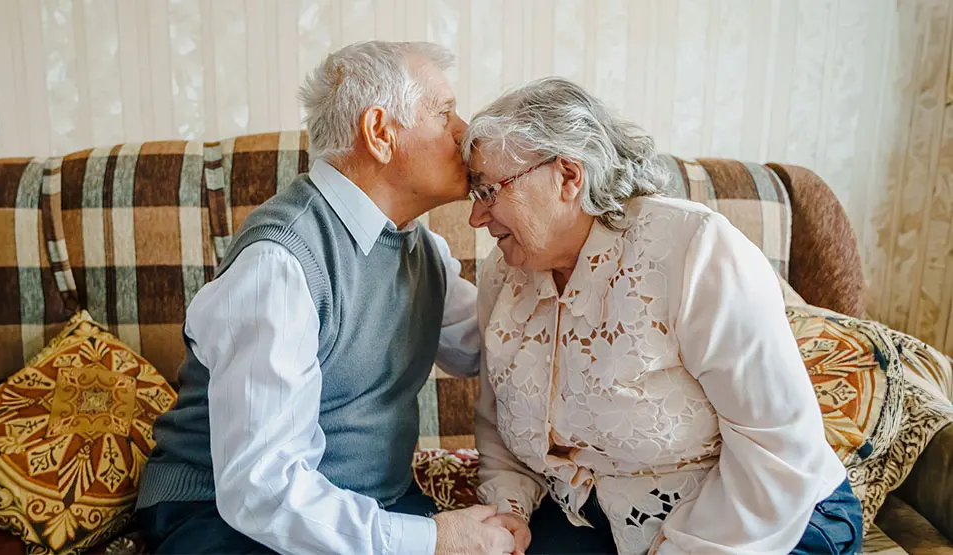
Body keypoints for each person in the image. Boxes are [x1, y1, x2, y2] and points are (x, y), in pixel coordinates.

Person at [134, 41, 516, 555]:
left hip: (360, 506)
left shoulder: (420, 251)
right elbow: (260, 490)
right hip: (221, 515)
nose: (464, 132)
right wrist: (435, 539)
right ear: (380, 133)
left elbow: (492, 344)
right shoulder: (281, 264)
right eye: (444, 112)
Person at [464, 77, 862, 555]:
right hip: (591, 520)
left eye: (490, 190)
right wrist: (509, 510)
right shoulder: (503, 275)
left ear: (569, 176)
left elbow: (776, 450)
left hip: (767, 518)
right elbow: (497, 420)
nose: (476, 218)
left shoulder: (694, 249)